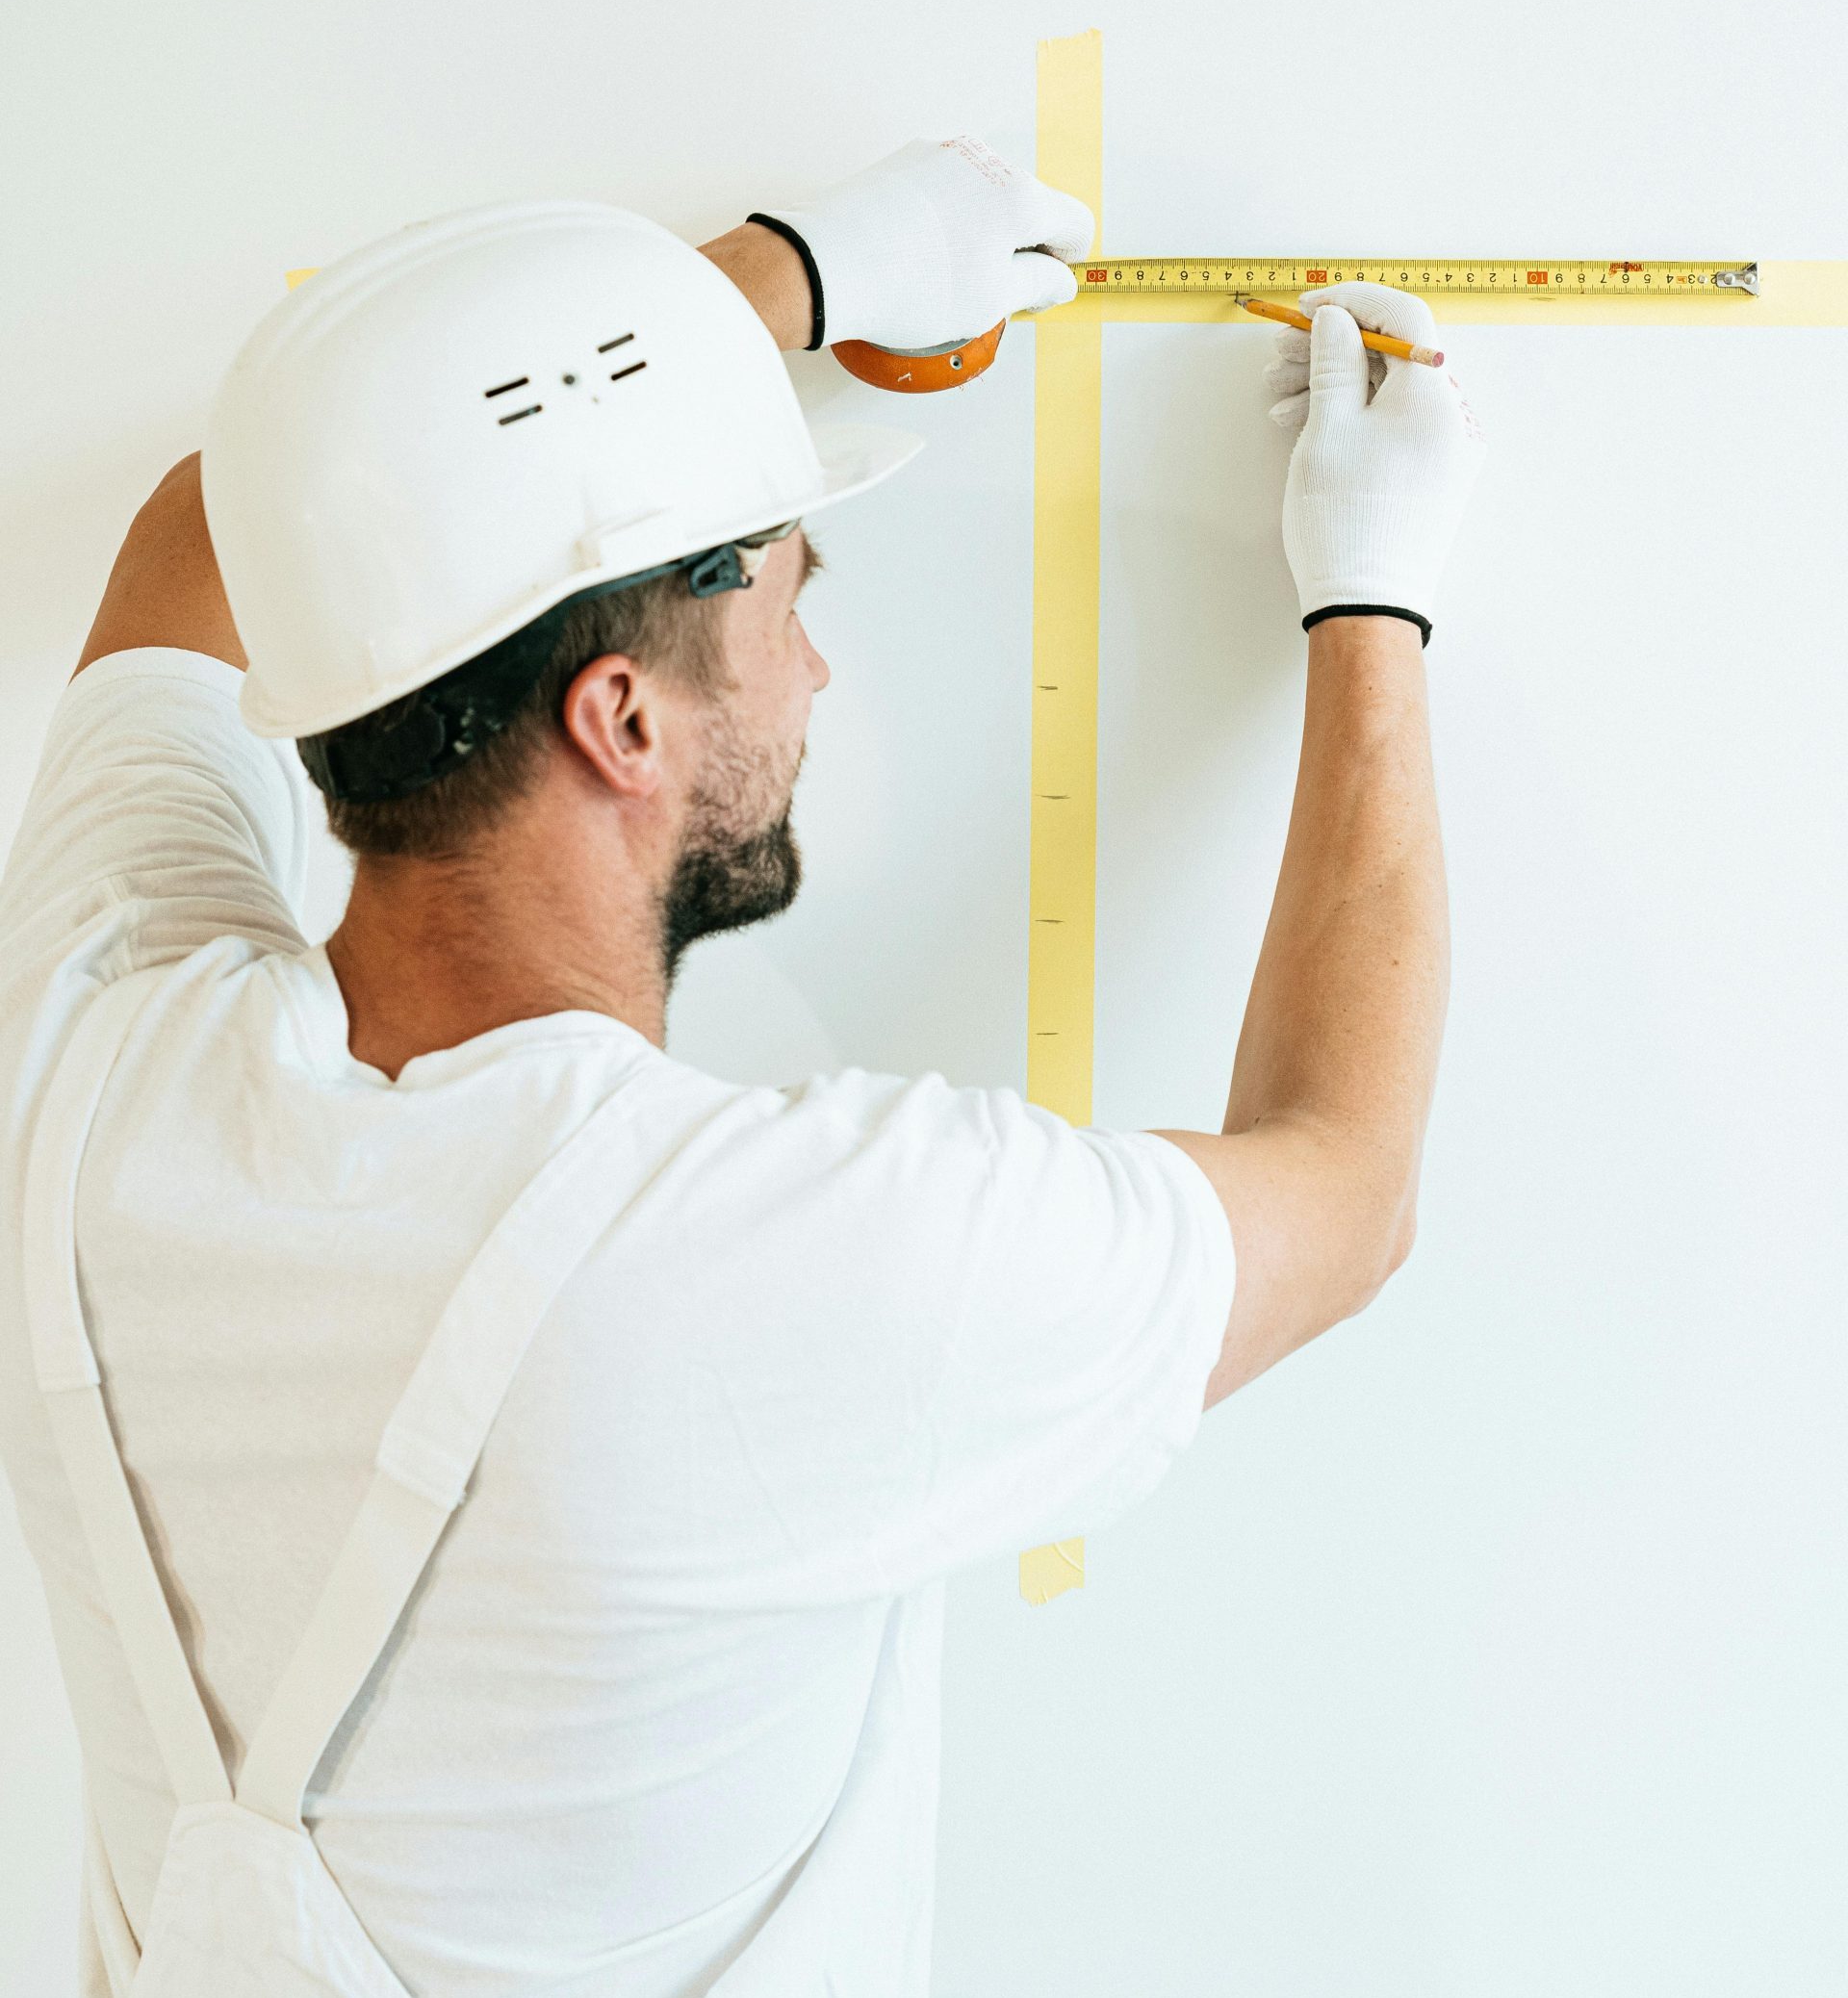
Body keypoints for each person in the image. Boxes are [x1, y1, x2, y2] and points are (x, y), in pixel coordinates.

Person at [0, 138, 1483, 1996]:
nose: (817, 676)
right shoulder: (781, 1262)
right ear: (621, 719)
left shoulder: (86, 1076)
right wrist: (1376, 606)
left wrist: (774, 282)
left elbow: (231, 513)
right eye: (788, 604)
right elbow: (1343, 1184)